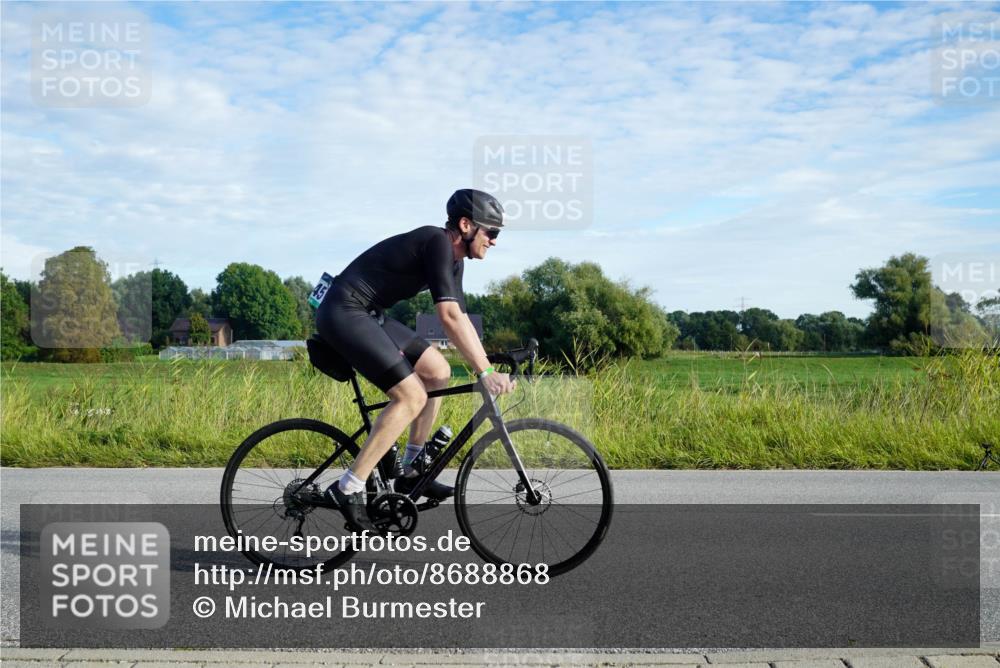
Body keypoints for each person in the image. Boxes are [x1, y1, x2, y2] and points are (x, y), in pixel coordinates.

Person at [315, 189, 516, 533]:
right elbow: (448, 316)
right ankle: (348, 486)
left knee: (438, 372)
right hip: (343, 311)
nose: (494, 241)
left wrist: (488, 361)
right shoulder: (437, 242)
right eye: (491, 232)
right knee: (411, 396)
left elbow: (461, 317)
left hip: (369, 314)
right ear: (466, 225)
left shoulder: (454, 260)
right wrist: (484, 371)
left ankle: (409, 471)